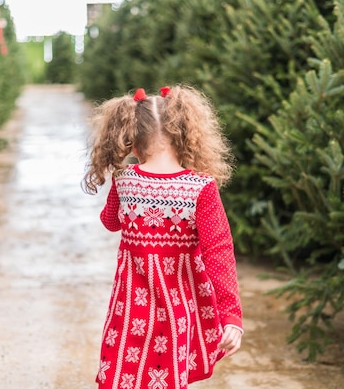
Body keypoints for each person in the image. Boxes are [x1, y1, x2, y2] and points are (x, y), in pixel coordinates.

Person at [82, 85, 243, 389]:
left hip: (130, 308)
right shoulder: (200, 188)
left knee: (125, 373)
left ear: (132, 140)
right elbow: (218, 251)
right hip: (178, 309)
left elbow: (109, 222)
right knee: (166, 377)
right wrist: (230, 315)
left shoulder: (125, 180)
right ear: (184, 133)